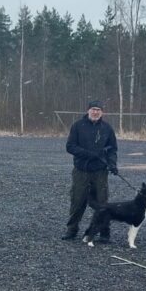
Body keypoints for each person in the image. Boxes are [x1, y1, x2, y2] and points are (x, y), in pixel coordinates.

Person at [62, 100, 118, 242]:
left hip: (100, 171)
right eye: (93, 109)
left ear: (102, 112)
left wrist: (112, 164)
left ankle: (104, 233)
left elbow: (112, 149)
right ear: (88, 110)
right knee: (77, 200)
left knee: (102, 202)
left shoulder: (107, 128)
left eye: (98, 109)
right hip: (81, 171)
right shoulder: (77, 126)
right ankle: (72, 230)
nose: (95, 112)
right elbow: (70, 146)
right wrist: (87, 153)